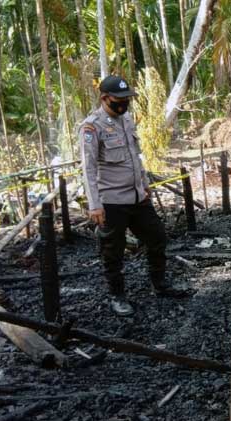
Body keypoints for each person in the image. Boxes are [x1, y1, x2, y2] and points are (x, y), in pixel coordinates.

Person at [80, 75, 190, 316]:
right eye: (119, 99)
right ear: (105, 98)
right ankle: (117, 296)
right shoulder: (92, 126)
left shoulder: (126, 120)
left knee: (157, 237)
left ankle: (160, 284)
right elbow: (88, 168)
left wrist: (144, 183)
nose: (124, 103)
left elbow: (135, 155)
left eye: (127, 99)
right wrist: (94, 204)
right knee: (113, 251)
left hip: (137, 197)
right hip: (111, 201)